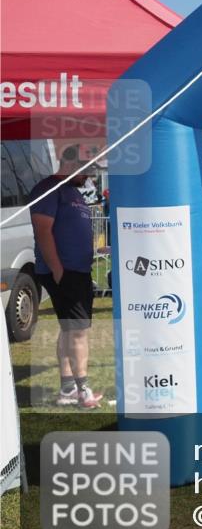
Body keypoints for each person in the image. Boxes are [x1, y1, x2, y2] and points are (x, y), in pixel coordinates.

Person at [29, 145, 103, 409]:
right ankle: (83, 390)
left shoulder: (73, 191)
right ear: (72, 163)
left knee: (68, 330)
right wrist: (59, 271)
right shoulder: (49, 188)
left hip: (77, 271)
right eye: (88, 169)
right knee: (79, 331)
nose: (90, 176)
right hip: (65, 273)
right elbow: (42, 231)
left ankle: (68, 388)